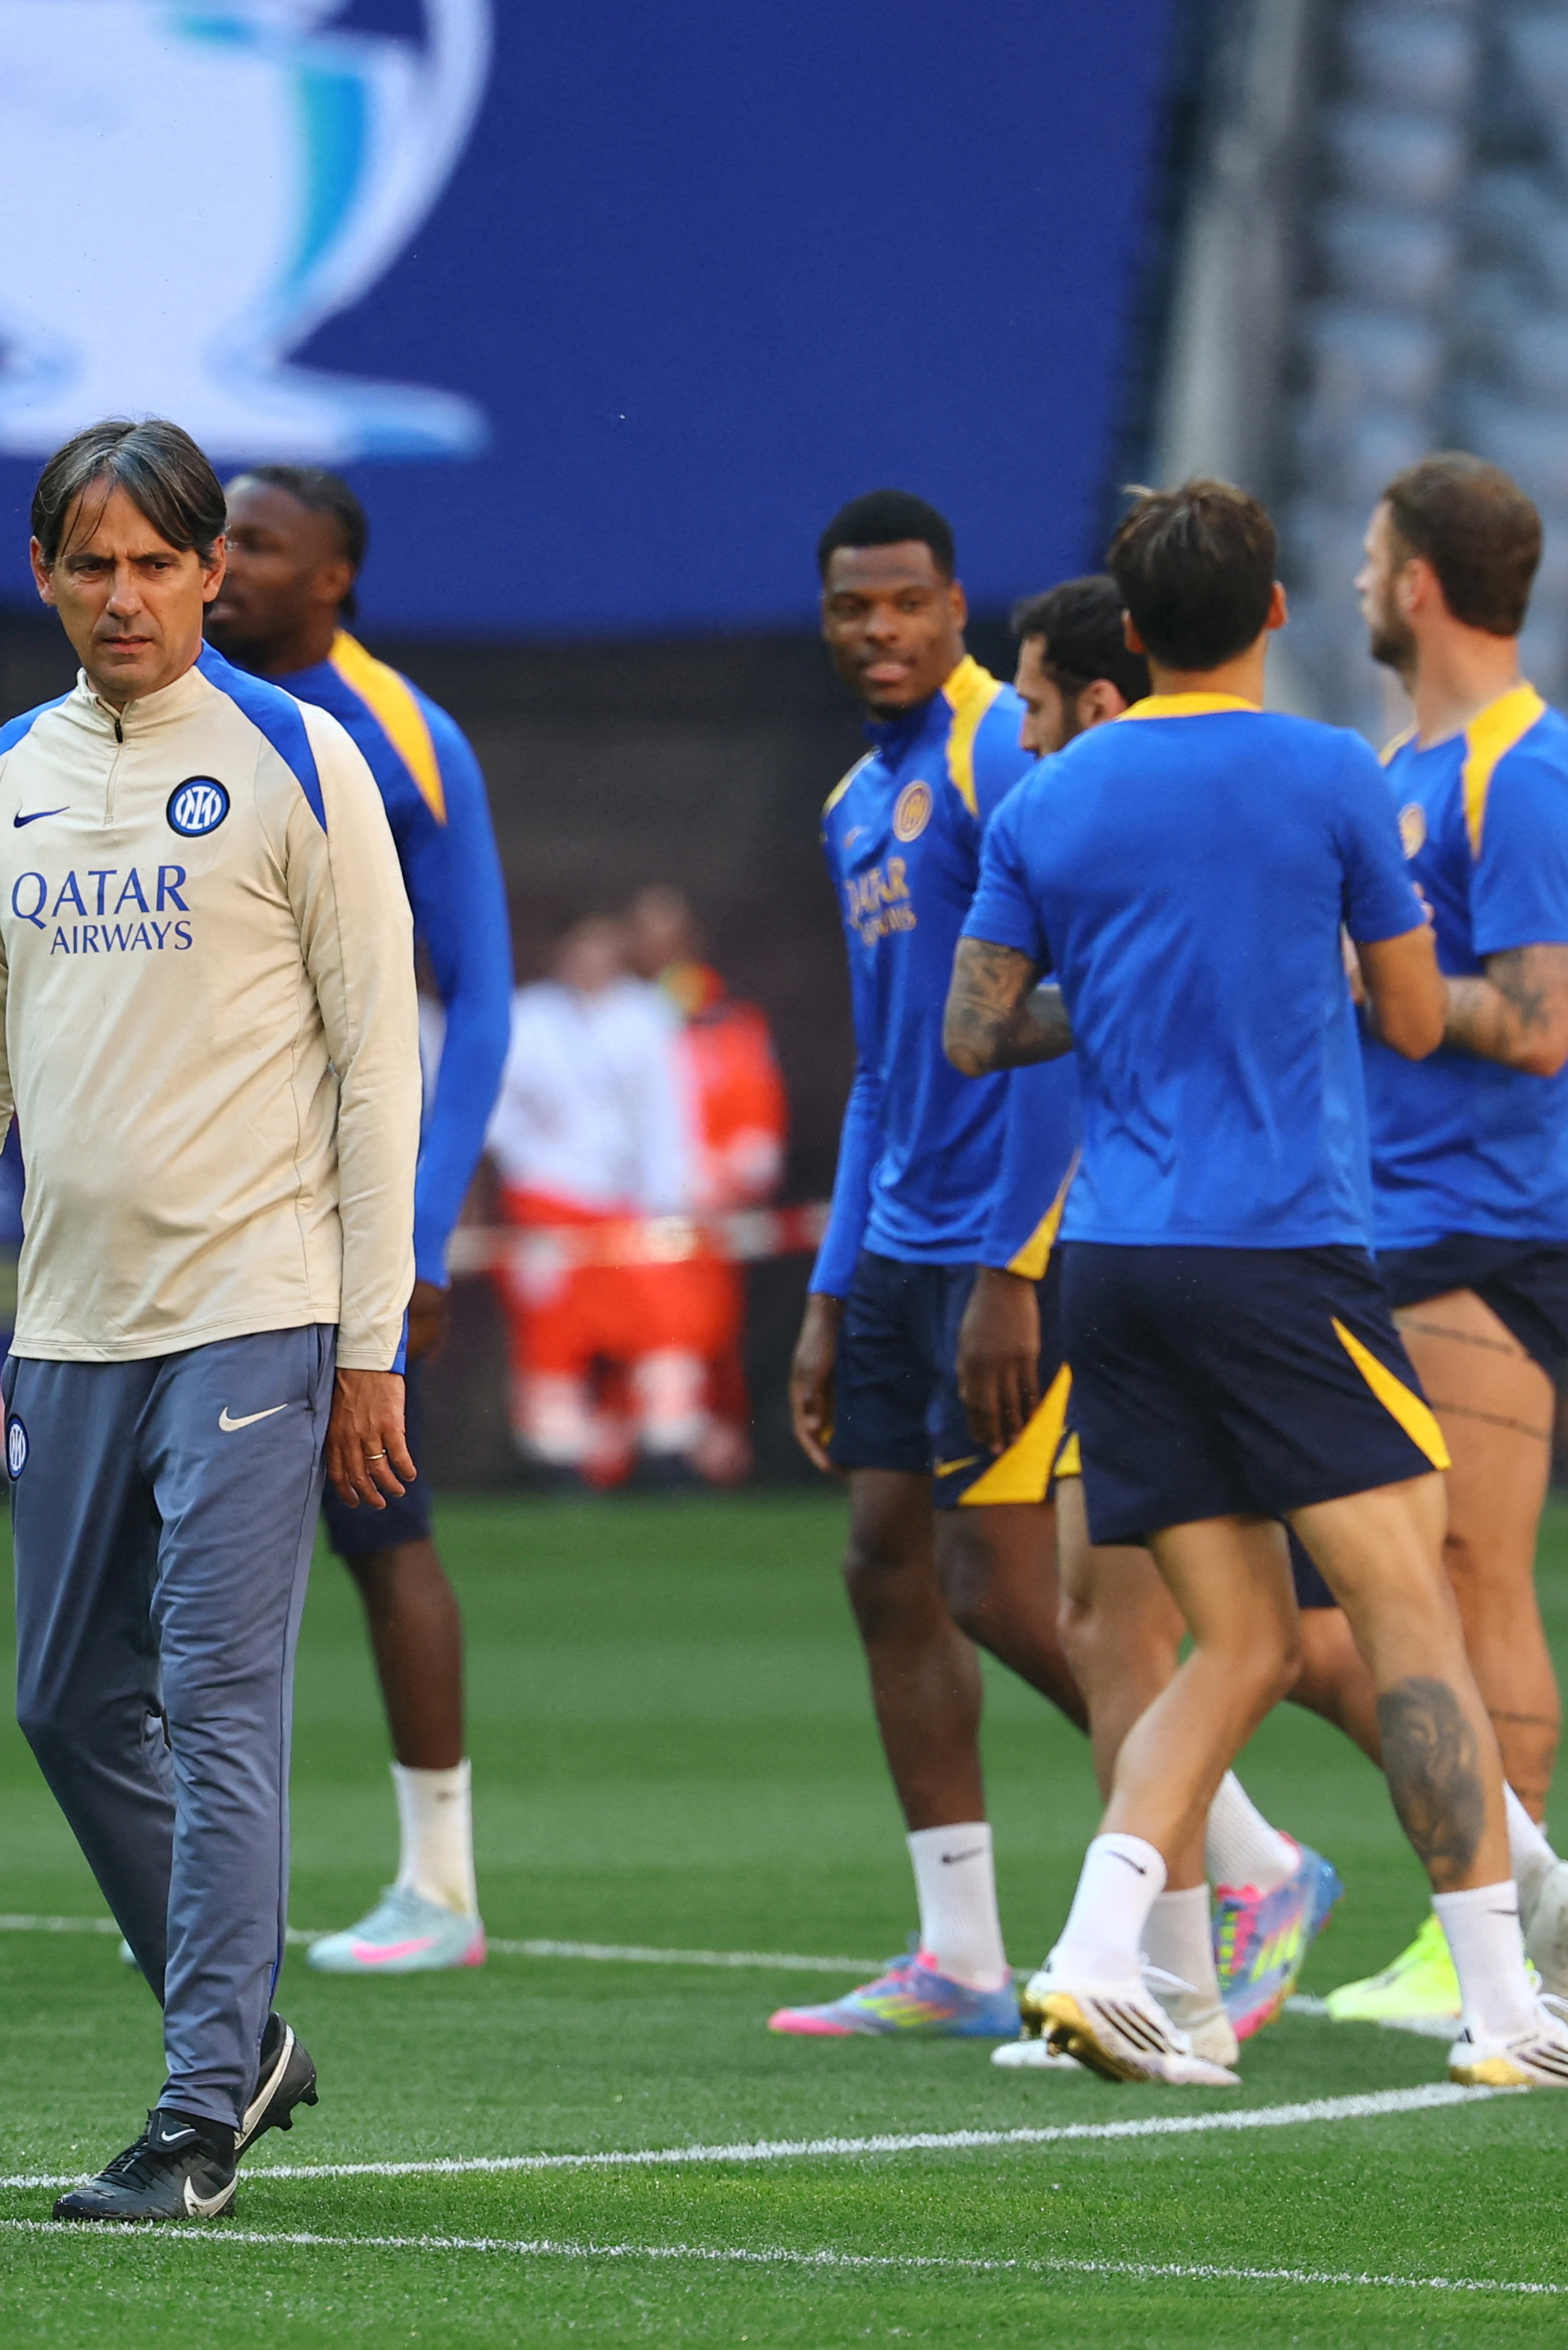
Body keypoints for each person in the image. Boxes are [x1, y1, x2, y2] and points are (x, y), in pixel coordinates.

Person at [947, 475, 1568, 2095]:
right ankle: (1500, 2007)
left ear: (1127, 633)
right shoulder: (1334, 772)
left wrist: (1115, 997)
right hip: (1284, 1256)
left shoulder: (1053, 798)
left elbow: (980, 1029)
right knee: (1408, 1618)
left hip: (1114, 1262)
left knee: (1239, 1641)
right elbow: (1411, 1018)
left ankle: (1097, 1959)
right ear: (1268, 614)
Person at [0, 417, 420, 2221]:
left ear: (207, 575)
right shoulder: (1, 780)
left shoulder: (298, 753)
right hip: (64, 1325)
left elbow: (377, 1066)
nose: (122, 594)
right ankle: (246, 2029)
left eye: (154, 561)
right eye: (87, 562)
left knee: (215, 1700)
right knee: (59, 1703)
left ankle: (197, 2112)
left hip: (259, 1307)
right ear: (44, 573)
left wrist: (369, 1337)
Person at [976, 572, 1367, 2076]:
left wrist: (1008, 1263)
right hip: (1147, 1255)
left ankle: (1502, 1887)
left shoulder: (1113, 815)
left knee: (1320, 1633)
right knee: (1113, 1617)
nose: (1016, 727)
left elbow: (995, 1041)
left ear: (1104, 692)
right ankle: (1194, 1950)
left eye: (1031, 697)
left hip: (1219, 1255)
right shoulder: (1088, 819)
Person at [1316, 454, 1568, 2047]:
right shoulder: (1403, 759)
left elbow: (1547, 1014)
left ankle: (1503, 1925)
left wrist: (1403, 986)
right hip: (1394, 1215)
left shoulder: (1525, 769)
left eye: (1377, 560)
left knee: (1467, 1574)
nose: (1365, 583)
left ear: (1420, 582)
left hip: (1485, 1225)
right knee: (1386, 1588)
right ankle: (1487, 1905)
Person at [772, 490, 1089, 2043]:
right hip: (900, 1246)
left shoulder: (1001, 752)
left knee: (1013, 1596)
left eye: (905, 603)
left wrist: (1016, 1265)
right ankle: (958, 1951)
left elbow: (1065, 1026)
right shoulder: (852, 804)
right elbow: (887, 1072)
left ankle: (1239, 1853)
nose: (879, 630)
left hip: (1003, 1252)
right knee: (886, 1568)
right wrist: (831, 1296)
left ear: (958, 606)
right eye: (852, 608)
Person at [206, 461, 512, 1976]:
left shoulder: (402, 737)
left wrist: (420, 1229)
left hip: (336, 1205)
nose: (226, 566)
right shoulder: (165, 708)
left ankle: (440, 1883)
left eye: (258, 544)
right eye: (222, 540)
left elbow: (479, 1000)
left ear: (335, 575)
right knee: (176, 1527)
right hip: (195, 1193)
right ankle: (202, 1882)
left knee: (372, 1511)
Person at [484, 914, 698, 1488]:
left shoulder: (645, 1015)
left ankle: (668, 1455)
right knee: (551, 1332)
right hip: (545, 1196)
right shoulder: (528, 1017)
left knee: (661, 1322)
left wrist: (669, 1199)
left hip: (626, 1201)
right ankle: (556, 1461)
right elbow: (492, 1106)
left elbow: (667, 1114)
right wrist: (528, 1144)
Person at [622, 883, 784, 1475]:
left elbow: (756, 1134)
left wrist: (713, 1181)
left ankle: (684, 1456)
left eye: (669, 936)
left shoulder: (721, 1022)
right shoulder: (591, 1022)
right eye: (643, 935)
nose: (656, 949)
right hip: (602, 1216)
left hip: (696, 1222)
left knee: (692, 1344)